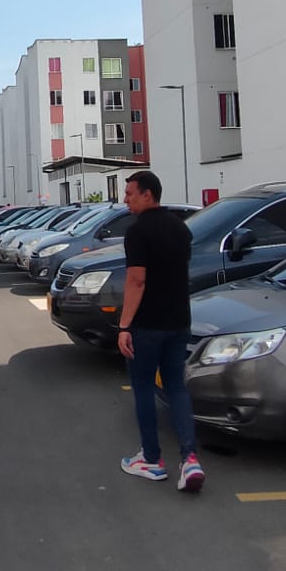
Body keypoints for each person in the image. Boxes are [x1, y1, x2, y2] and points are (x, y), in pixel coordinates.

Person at [116, 170, 203, 492]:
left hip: (148, 325)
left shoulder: (137, 232)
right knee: (176, 387)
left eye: (130, 193)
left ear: (147, 194)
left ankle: (151, 459)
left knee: (142, 387)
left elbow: (136, 280)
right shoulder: (181, 229)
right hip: (179, 321)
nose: (125, 199)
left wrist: (124, 326)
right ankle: (189, 459)